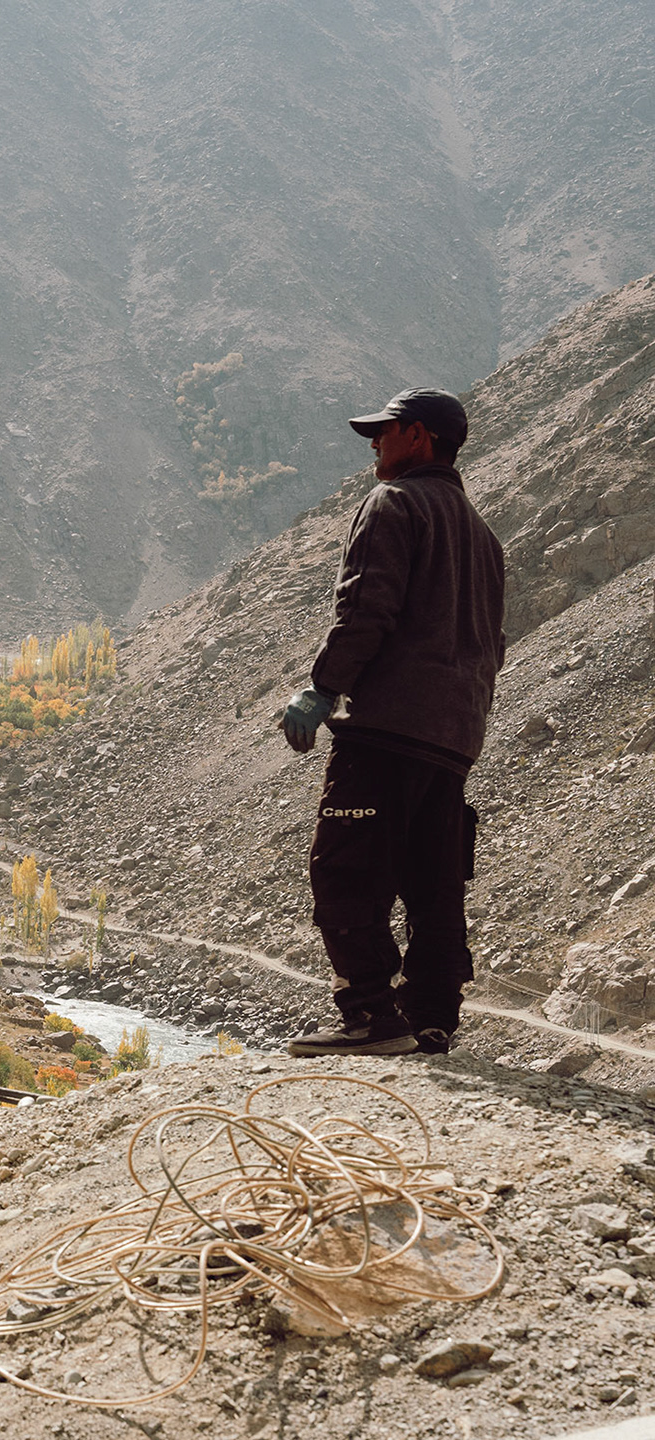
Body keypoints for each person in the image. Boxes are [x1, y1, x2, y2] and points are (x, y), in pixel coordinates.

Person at [279, 388, 505, 1057]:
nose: (373, 442)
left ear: (419, 438)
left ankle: (370, 1015)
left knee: (346, 870)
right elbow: (491, 644)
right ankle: (432, 1020)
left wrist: (322, 691)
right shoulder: (485, 538)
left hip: (387, 731)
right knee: (432, 881)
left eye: (385, 430)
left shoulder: (395, 503)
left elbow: (366, 610)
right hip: (453, 739)